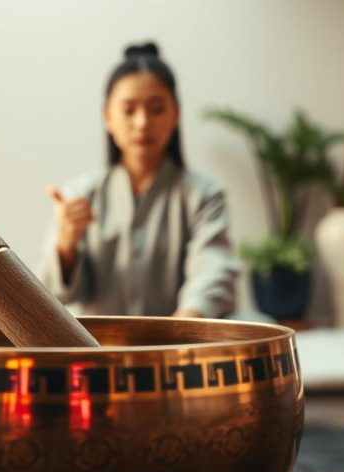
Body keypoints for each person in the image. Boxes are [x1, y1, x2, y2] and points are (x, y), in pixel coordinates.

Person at [38, 42, 240, 318]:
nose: (143, 122)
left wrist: (183, 327)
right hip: (97, 345)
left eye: (156, 109)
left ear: (176, 114)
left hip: (181, 341)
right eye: (129, 110)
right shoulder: (79, 193)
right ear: (108, 117)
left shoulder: (205, 195)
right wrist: (67, 241)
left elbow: (213, 270)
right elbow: (54, 294)